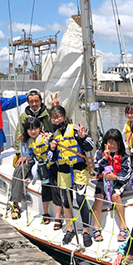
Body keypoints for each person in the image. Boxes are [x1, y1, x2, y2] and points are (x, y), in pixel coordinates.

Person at [12, 89, 62, 224]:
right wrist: (21, 154)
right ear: (28, 102)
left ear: (40, 101)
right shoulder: (23, 117)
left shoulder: (48, 114)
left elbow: (59, 126)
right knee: (19, 169)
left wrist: (56, 107)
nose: (34, 104)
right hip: (31, 152)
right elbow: (19, 137)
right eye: (31, 101)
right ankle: (15, 204)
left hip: (48, 152)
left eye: (36, 101)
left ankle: (60, 207)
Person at [48, 105, 94, 247]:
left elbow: (90, 146)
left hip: (79, 169)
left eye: (59, 116)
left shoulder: (75, 129)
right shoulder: (53, 137)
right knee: (66, 201)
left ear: (65, 117)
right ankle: (69, 229)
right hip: (63, 170)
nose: (57, 120)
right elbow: (50, 158)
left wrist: (83, 137)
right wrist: (52, 148)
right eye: (54, 118)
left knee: (80, 199)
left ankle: (86, 230)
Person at [10, 117, 53, 221]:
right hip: (33, 158)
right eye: (30, 129)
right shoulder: (27, 140)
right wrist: (23, 155)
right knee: (19, 168)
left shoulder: (46, 137)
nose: (33, 132)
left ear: (40, 128)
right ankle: (15, 204)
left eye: (35, 129)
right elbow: (28, 153)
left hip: (47, 161)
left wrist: (49, 139)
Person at [92, 128, 131, 243]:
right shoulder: (99, 154)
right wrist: (104, 158)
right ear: (105, 143)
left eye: (115, 143)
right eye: (110, 142)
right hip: (102, 181)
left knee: (115, 196)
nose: (112, 145)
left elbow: (127, 174)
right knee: (99, 197)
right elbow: (95, 169)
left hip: (118, 182)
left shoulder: (124, 156)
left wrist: (115, 177)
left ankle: (123, 228)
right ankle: (96, 227)